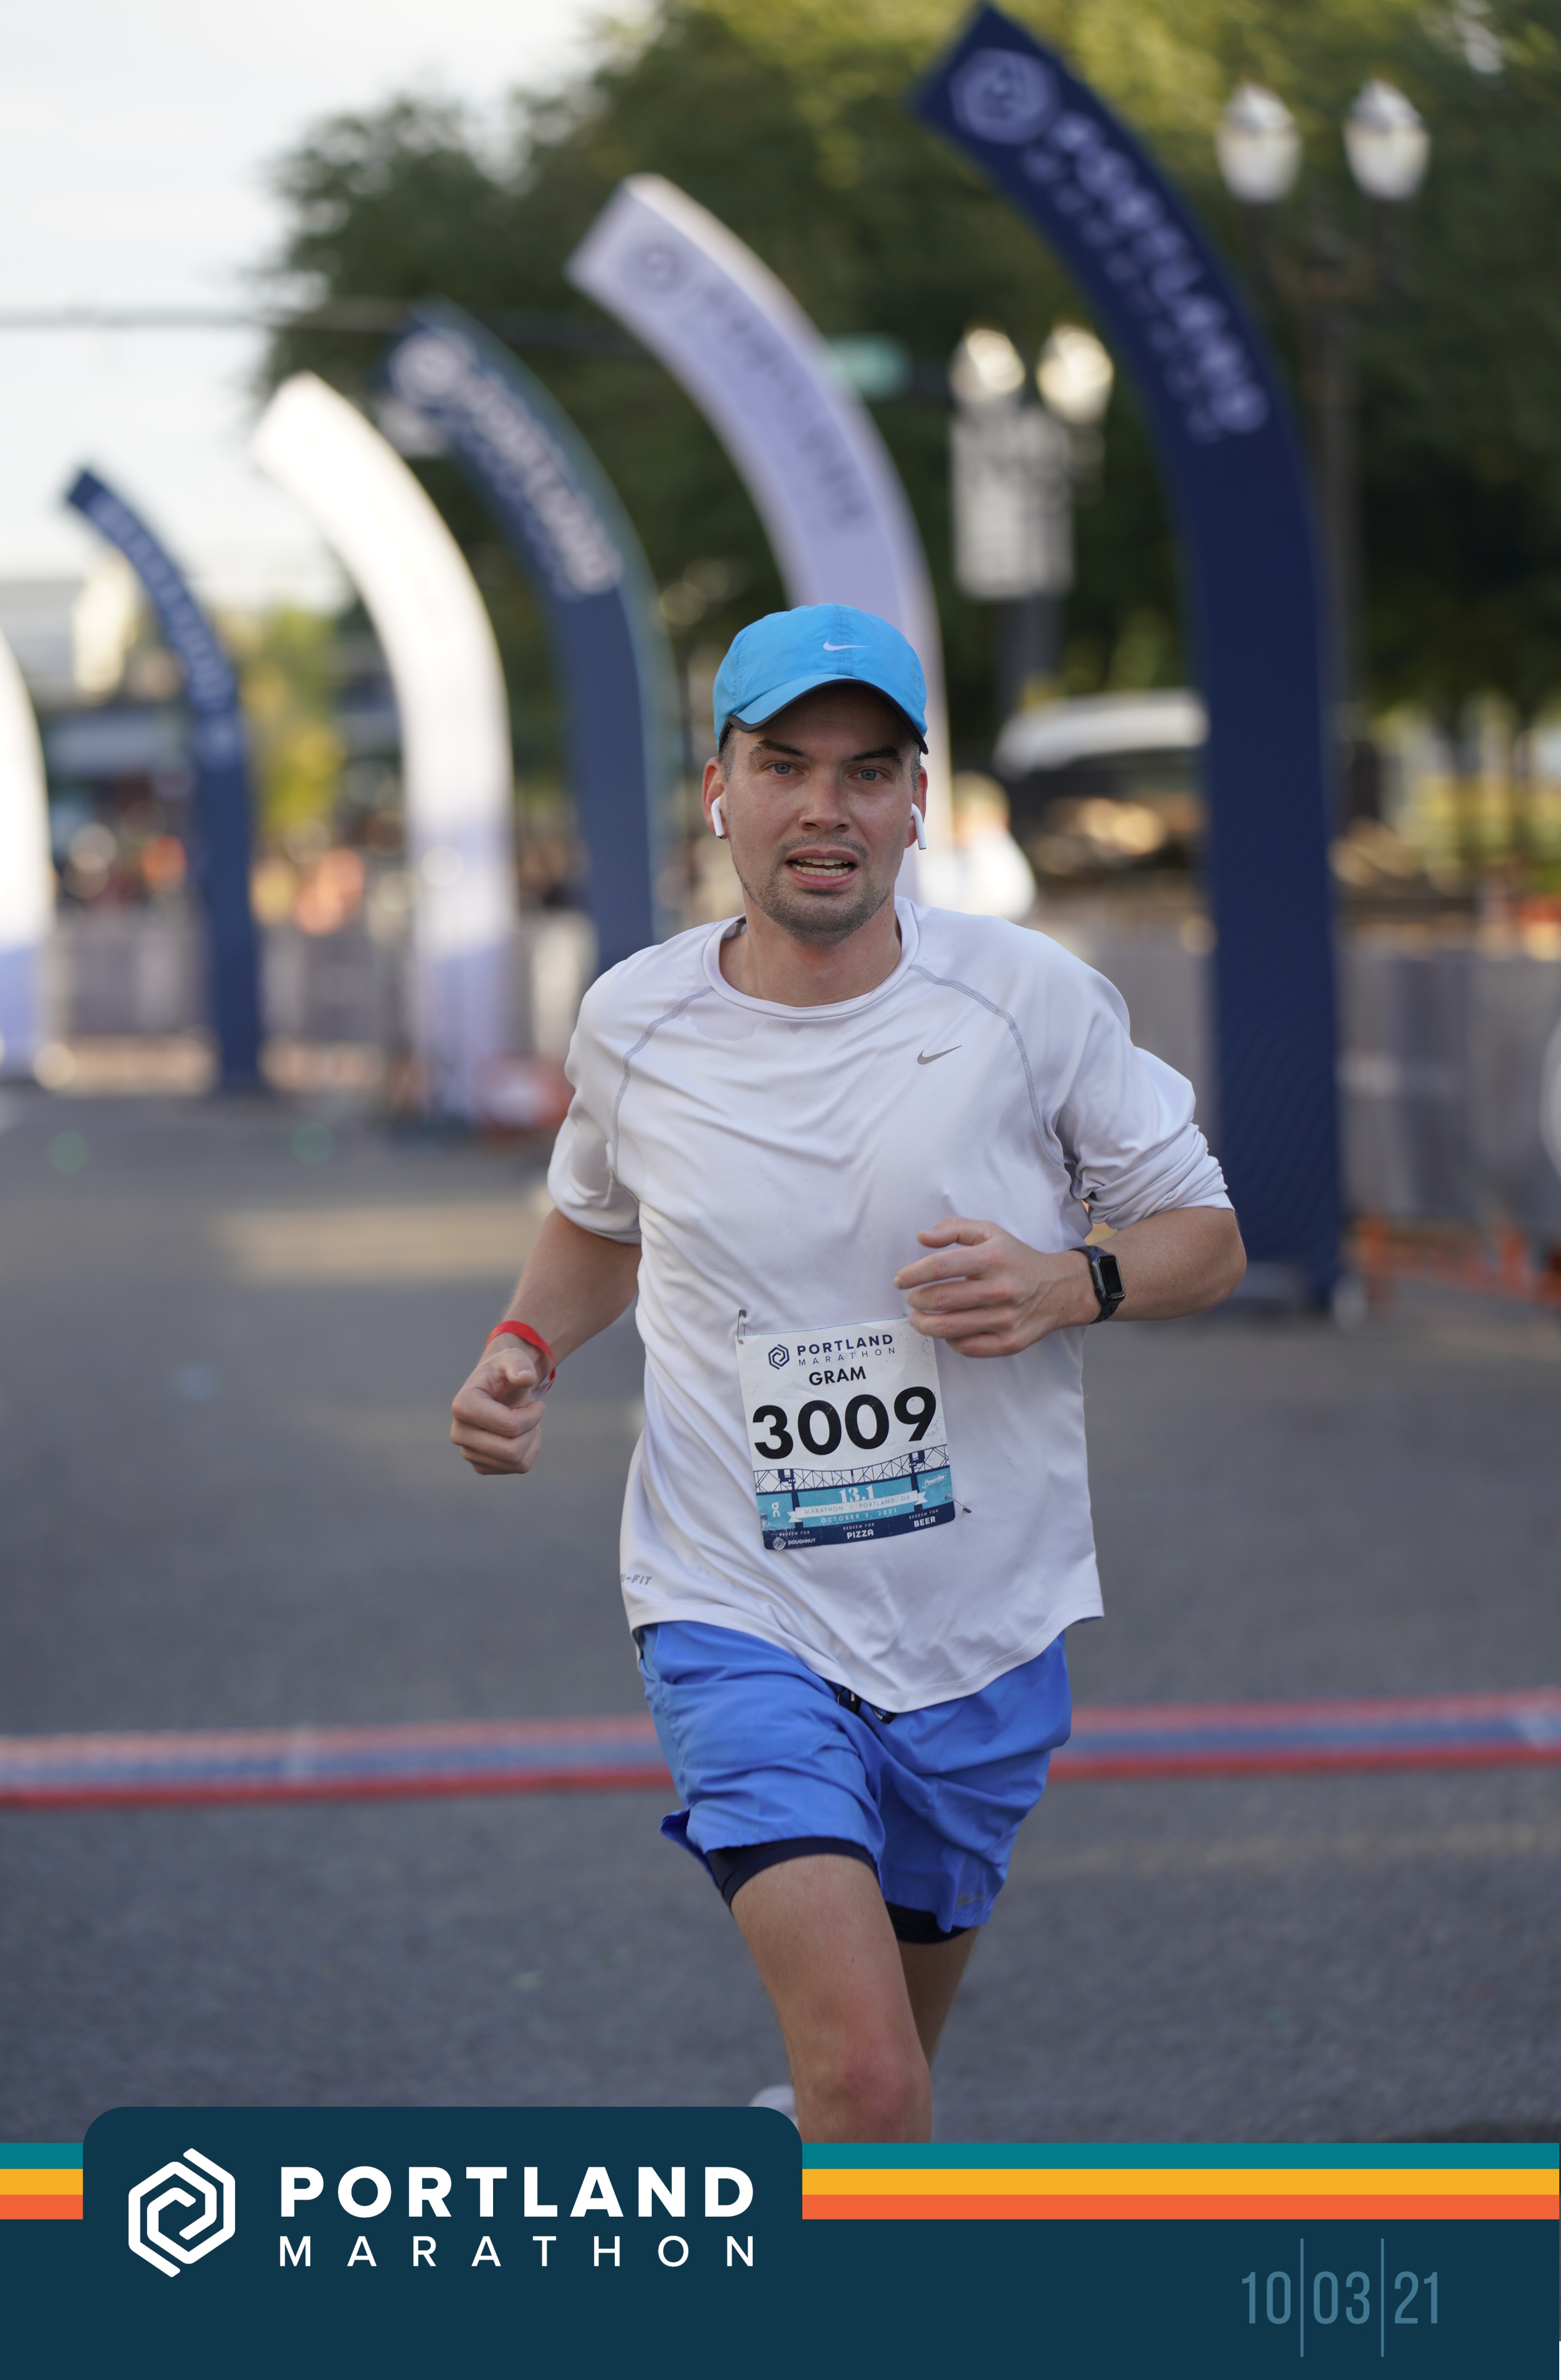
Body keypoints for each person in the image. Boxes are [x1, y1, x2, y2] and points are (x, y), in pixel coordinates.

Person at [450, 603, 1245, 2141]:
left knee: (882, 2089)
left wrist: (1068, 1282)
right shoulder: (634, 1019)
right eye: (786, 767)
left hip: (980, 1621)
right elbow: (600, 1220)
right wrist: (522, 1347)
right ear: (719, 789)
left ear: (917, 801)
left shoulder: (1027, 1001)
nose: (828, 808)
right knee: (872, 2076)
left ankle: (827, 2169)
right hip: (731, 1600)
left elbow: (1205, 1239)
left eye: (869, 771)